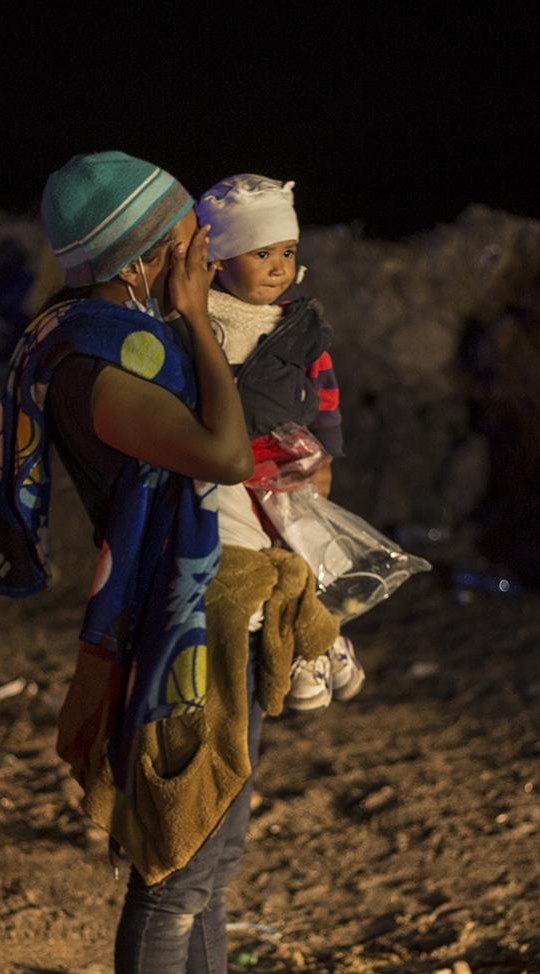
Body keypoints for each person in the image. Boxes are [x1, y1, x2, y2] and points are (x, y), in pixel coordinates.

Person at [0, 151, 334, 974]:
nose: (199, 248)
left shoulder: (119, 338)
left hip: (207, 609)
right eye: (182, 232)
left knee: (206, 864)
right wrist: (195, 327)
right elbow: (216, 453)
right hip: (164, 633)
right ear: (139, 249)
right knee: (169, 874)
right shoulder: (92, 364)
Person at [193, 173, 364, 711]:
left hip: (287, 460)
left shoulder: (300, 325)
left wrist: (327, 454)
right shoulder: (200, 319)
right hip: (224, 464)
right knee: (249, 564)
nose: (278, 267)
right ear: (218, 259)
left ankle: (317, 645)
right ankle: (296, 645)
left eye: (287, 251)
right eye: (260, 252)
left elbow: (326, 390)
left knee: (308, 552)